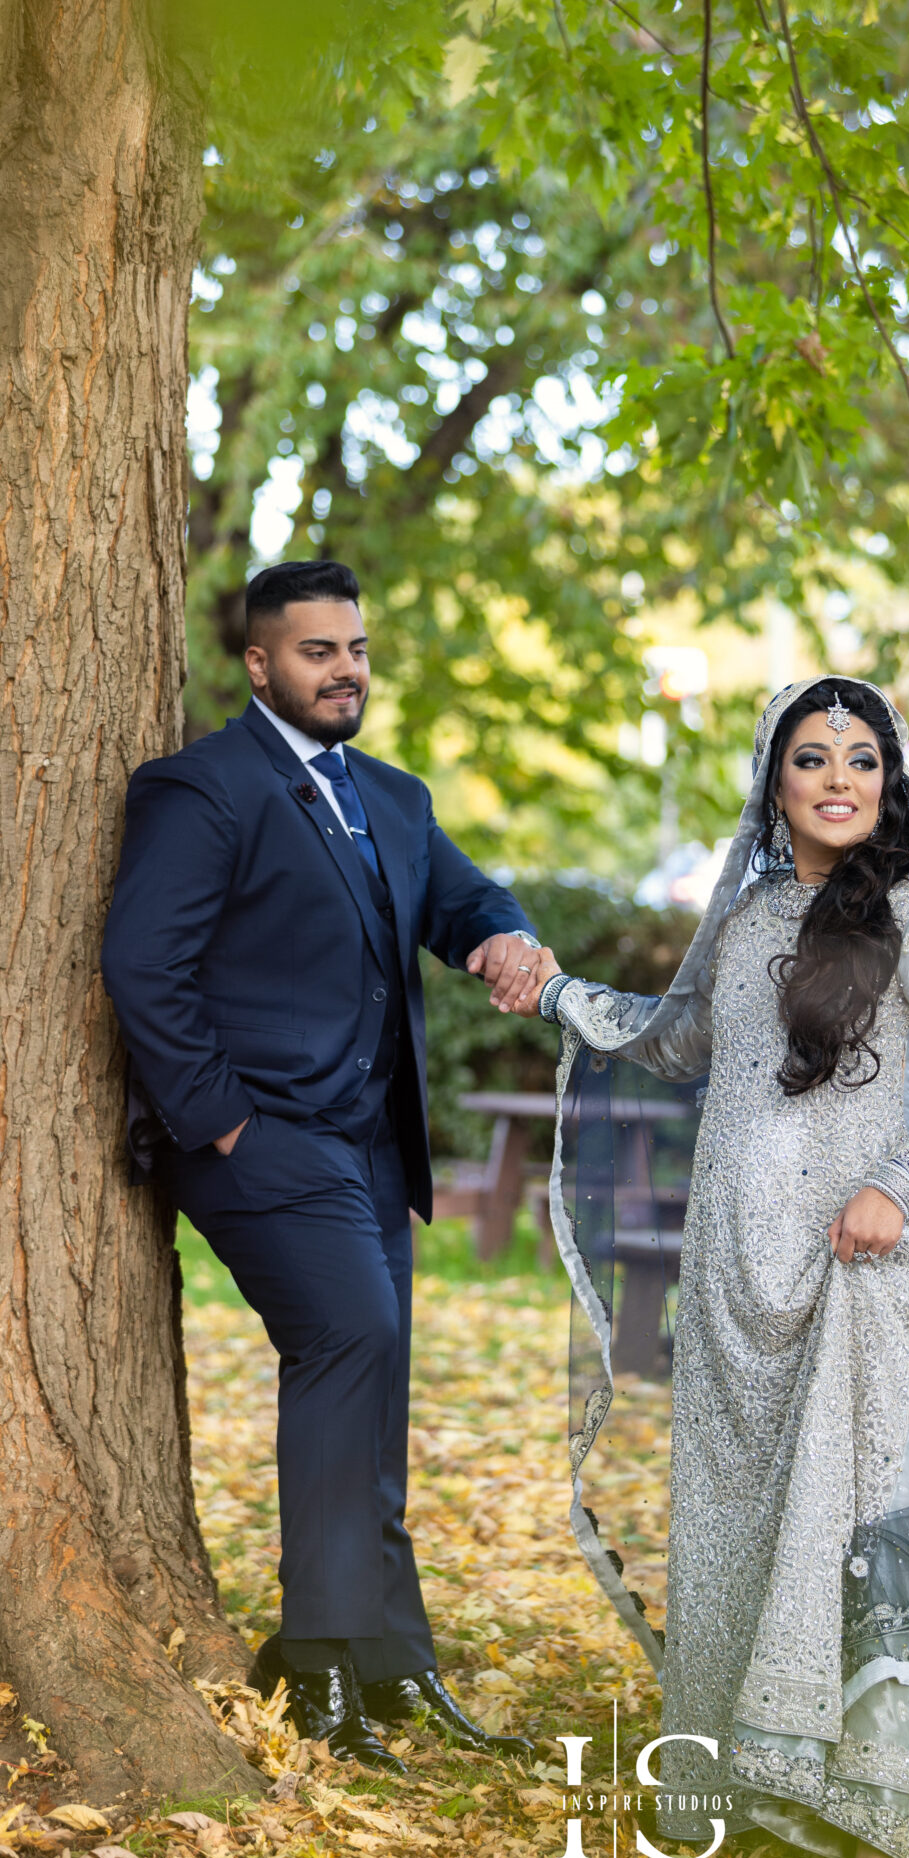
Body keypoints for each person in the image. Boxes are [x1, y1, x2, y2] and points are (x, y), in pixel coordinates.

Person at [533, 678, 909, 1858]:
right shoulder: (741, 920)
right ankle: (754, 1772)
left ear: (888, 781)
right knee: (738, 1517)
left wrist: (908, 1180)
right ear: (772, 782)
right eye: (810, 758)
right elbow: (682, 1039)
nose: (839, 778)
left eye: (860, 758)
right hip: (734, 1273)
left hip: (864, 1268)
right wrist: (555, 994)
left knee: (859, 1515)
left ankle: (889, 1809)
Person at [102, 559, 558, 1772]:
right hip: (259, 1141)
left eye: (354, 648)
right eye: (317, 652)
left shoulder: (393, 799)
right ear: (261, 665)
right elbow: (144, 963)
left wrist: (502, 936)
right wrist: (223, 1123)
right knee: (350, 1337)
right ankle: (316, 1664)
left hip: (368, 1150)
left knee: (379, 1371)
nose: (343, 670)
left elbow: (462, 901)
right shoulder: (201, 788)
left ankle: (390, 1658)